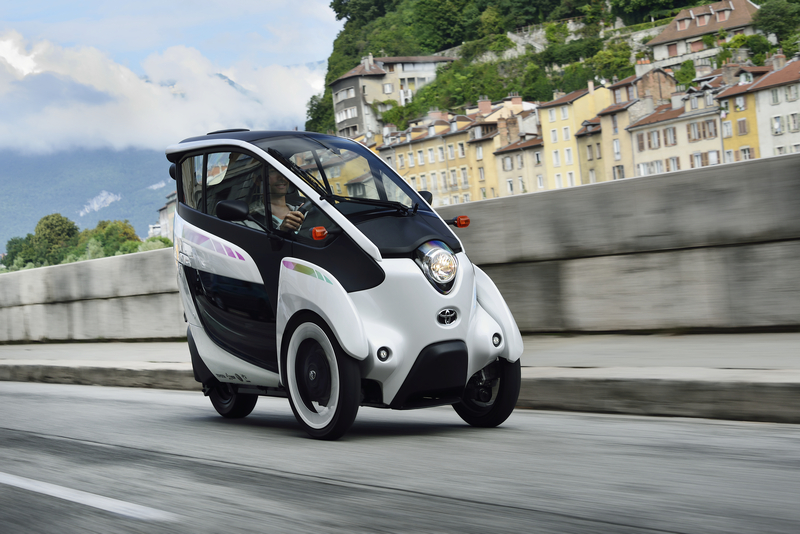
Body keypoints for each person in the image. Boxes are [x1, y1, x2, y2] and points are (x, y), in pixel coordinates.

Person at [267, 165, 305, 232]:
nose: (281, 177)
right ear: (257, 180)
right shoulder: (251, 222)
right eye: (272, 171)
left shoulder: (304, 211)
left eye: (284, 170)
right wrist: (281, 231)